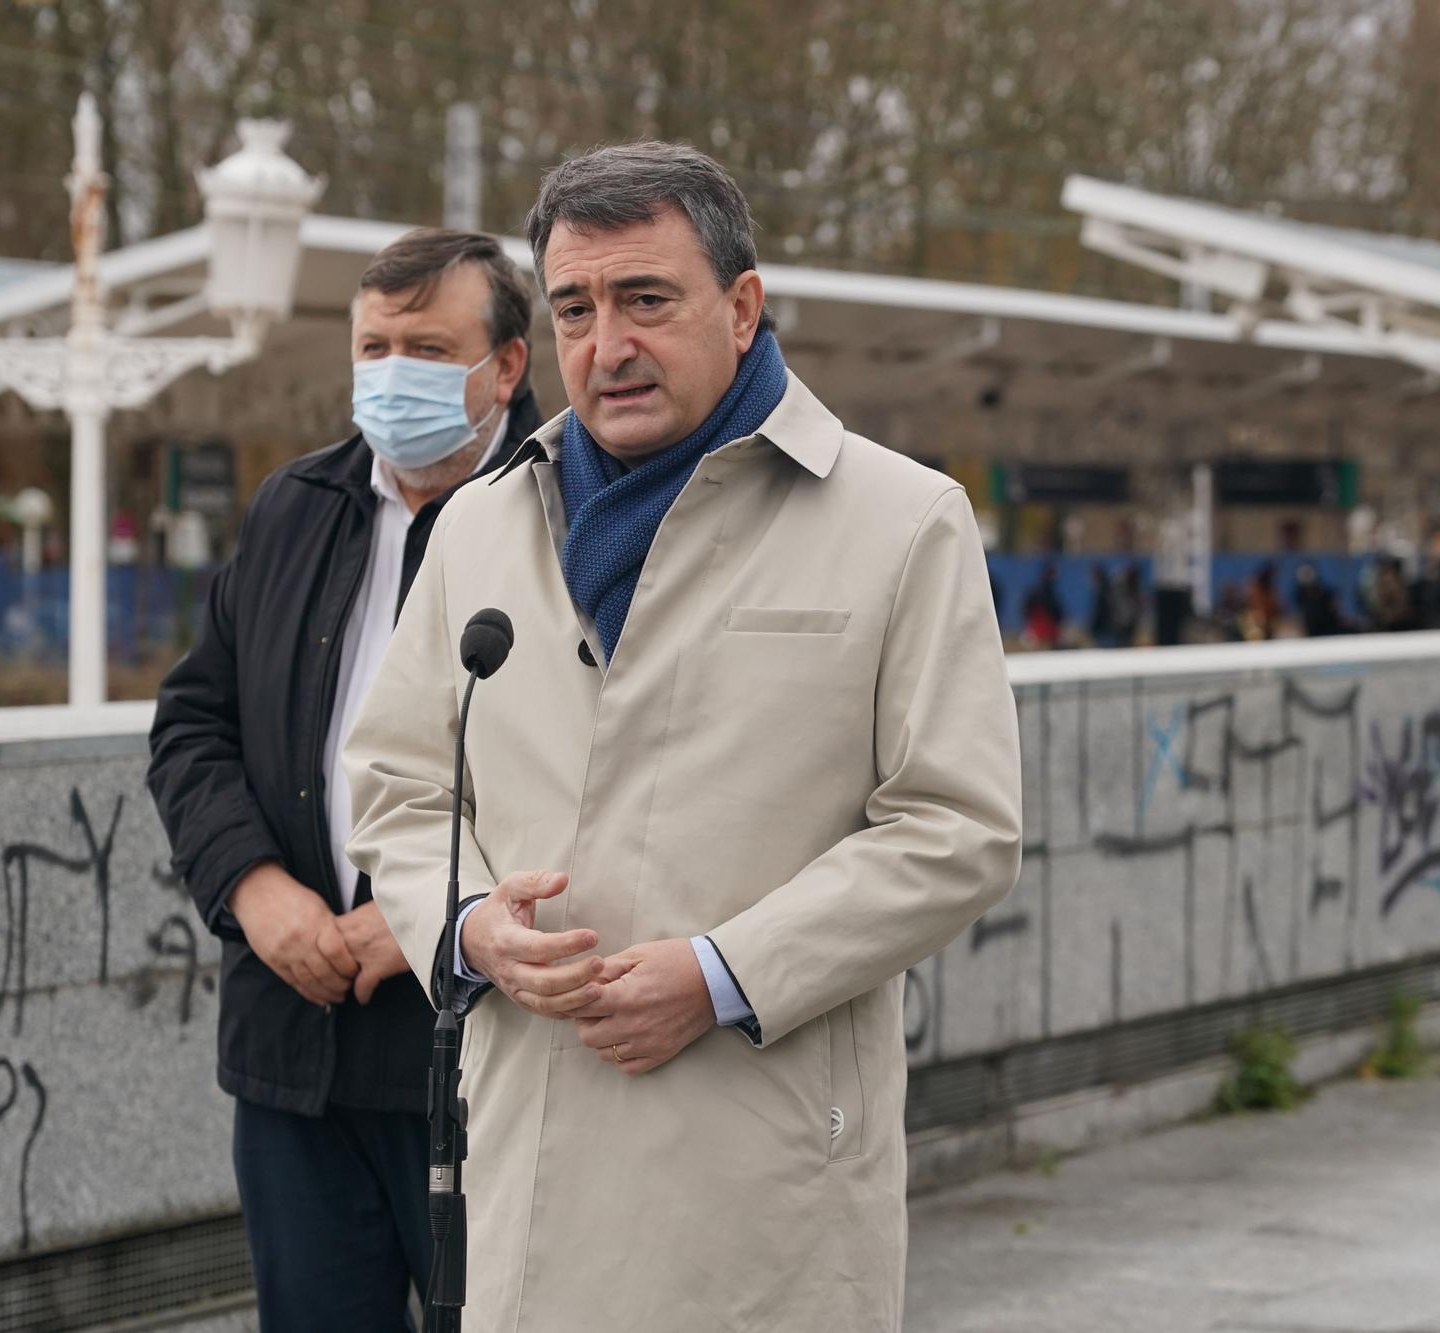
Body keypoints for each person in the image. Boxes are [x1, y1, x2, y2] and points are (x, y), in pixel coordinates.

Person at [342, 143, 1023, 1332]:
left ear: (742, 306)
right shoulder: (482, 527)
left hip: (757, 1174)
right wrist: (468, 928)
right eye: (574, 308)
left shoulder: (903, 520)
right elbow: (397, 786)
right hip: (532, 1155)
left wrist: (722, 976)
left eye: (645, 299)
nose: (606, 346)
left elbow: (956, 826)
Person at [145, 229, 542, 1330]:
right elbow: (192, 722)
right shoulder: (293, 509)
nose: (391, 373)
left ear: (505, 365)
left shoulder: (572, 520)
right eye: (374, 346)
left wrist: (428, 912)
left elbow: (618, 773)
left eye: (425, 347)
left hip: (480, 1058)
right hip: (292, 1053)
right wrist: (252, 889)